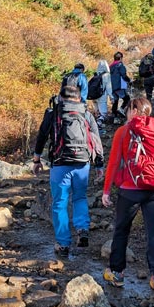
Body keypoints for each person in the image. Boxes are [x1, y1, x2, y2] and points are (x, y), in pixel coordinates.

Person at [101, 97, 154, 293]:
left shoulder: (123, 131)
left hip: (130, 190)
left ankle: (117, 274)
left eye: (128, 110)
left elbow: (114, 163)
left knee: (121, 230)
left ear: (133, 111)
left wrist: (106, 190)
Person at [33, 81, 104, 257]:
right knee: (79, 197)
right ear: (79, 98)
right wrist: (100, 165)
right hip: (82, 163)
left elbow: (42, 136)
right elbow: (96, 139)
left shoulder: (53, 113)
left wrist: (36, 159)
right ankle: (82, 229)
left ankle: (63, 244)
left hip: (60, 164)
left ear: (60, 97)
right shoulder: (86, 114)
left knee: (59, 203)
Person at [109, 51, 132, 124]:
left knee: (115, 102)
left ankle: (115, 118)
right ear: (121, 58)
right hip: (119, 86)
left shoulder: (110, 66)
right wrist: (129, 80)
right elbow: (124, 75)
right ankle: (121, 109)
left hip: (111, 87)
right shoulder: (120, 65)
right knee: (127, 98)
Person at [91, 59, 112, 130]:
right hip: (102, 96)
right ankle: (98, 125)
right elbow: (109, 87)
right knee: (103, 113)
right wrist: (111, 97)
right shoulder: (107, 75)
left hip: (93, 96)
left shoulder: (96, 74)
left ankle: (95, 125)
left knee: (97, 112)